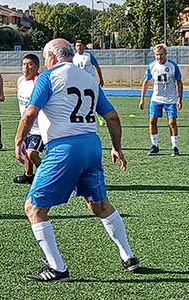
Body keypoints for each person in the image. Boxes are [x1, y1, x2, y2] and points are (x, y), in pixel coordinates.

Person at [14, 38, 139, 282]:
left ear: (51, 56)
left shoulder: (47, 78)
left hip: (64, 147)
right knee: (99, 205)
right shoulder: (89, 79)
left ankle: (57, 268)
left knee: (34, 208)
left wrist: (19, 141)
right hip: (92, 145)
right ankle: (129, 255)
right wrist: (117, 148)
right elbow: (112, 117)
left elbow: (30, 113)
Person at [139, 44, 183, 156]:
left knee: (172, 122)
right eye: (157, 55)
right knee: (152, 120)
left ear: (165, 54)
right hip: (156, 98)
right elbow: (145, 82)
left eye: (161, 54)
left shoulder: (173, 66)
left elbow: (179, 82)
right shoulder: (151, 66)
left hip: (171, 99)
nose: (159, 57)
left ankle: (175, 147)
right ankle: (154, 146)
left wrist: (179, 98)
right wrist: (142, 99)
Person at [13, 53, 43, 184]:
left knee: (32, 153)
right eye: (24, 64)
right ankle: (28, 175)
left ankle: (49, 178)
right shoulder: (20, 80)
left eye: (30, 64)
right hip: (27, 126)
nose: (26, 67)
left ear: (37, 67)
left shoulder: (39, 81)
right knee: (25, 152)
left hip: (40, 127)